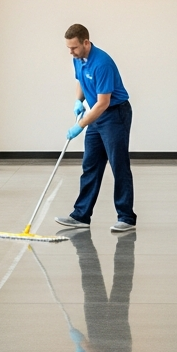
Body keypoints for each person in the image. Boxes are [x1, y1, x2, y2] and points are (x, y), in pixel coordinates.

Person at [56, 23, 137, 233]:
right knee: (90, 164)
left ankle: (126, 217)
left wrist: (80, 126)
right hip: (96, 115)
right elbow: (80, 81)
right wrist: (78, 101)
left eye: (73, 47)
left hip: (114, 114)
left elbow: (103, 103)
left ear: (85, 42)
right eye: (68, 48)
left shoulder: (102, 63)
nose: (70, 52)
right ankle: (81, 215)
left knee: (118, 164)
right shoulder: (78, 59)